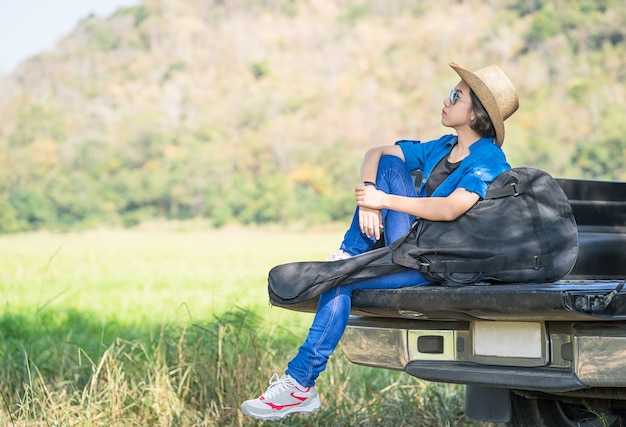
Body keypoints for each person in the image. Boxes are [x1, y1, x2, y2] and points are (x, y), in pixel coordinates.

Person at [240, 62, 519, 420]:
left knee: (340, 278)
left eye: (456, 95)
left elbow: (451, 208)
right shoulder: (444, 146)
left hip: (438, 259)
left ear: (477, 115)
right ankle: (347, 255)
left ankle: (300, 384)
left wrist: (382, 202)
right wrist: (370, 192)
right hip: (412, 243)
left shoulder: (489, 159)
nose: (446, 100)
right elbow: (376, 152)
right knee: (386, 167)